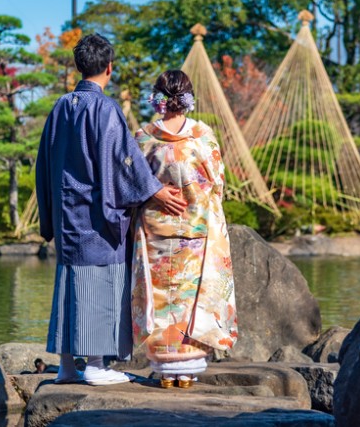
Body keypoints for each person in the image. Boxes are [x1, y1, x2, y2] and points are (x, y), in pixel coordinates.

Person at [36, 34, 188, 386]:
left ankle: (66, 367)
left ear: (79, 67)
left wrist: (50, 214)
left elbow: (43, 164)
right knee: (99, 284)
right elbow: (124, 161)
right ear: (109, 67)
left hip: (67, 213)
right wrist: (156, 191)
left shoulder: (60, 107)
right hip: (96, 214)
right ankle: (95, 364)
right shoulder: (104, 109)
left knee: (69, 283)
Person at [131, 70, 238, 389]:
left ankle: (165, 372)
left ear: (159, 99)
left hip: (155, 231)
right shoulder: (202, 136)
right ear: (187, 99)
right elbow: (217, 182)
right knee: (192, 299)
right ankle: (187, 371)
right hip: (196, 231)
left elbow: (132, 182)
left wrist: (157, 194)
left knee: (161, 297)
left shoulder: (144, 136)